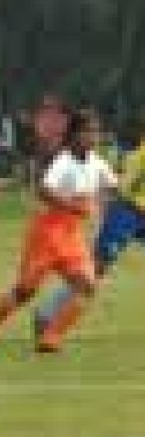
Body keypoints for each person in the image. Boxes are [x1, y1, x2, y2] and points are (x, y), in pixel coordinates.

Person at [0, 112, 116, 355]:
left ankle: (51, 339)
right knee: (25, 292)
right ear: (74, 135)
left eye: (96, 131)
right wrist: (73, 206)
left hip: (71, 235)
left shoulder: (97, 162)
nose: (93, 137)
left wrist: (103, 207)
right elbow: (43, 192)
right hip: (47, 231)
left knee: (87, 285)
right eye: (88, 132)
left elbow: (111, 187)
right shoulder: (63, 161)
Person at [34, 118, 145, 347]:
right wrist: (109, 207)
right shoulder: (141, 155)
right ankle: (46, 314)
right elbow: (122, 187)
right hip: (127, 213)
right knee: (95, 268)